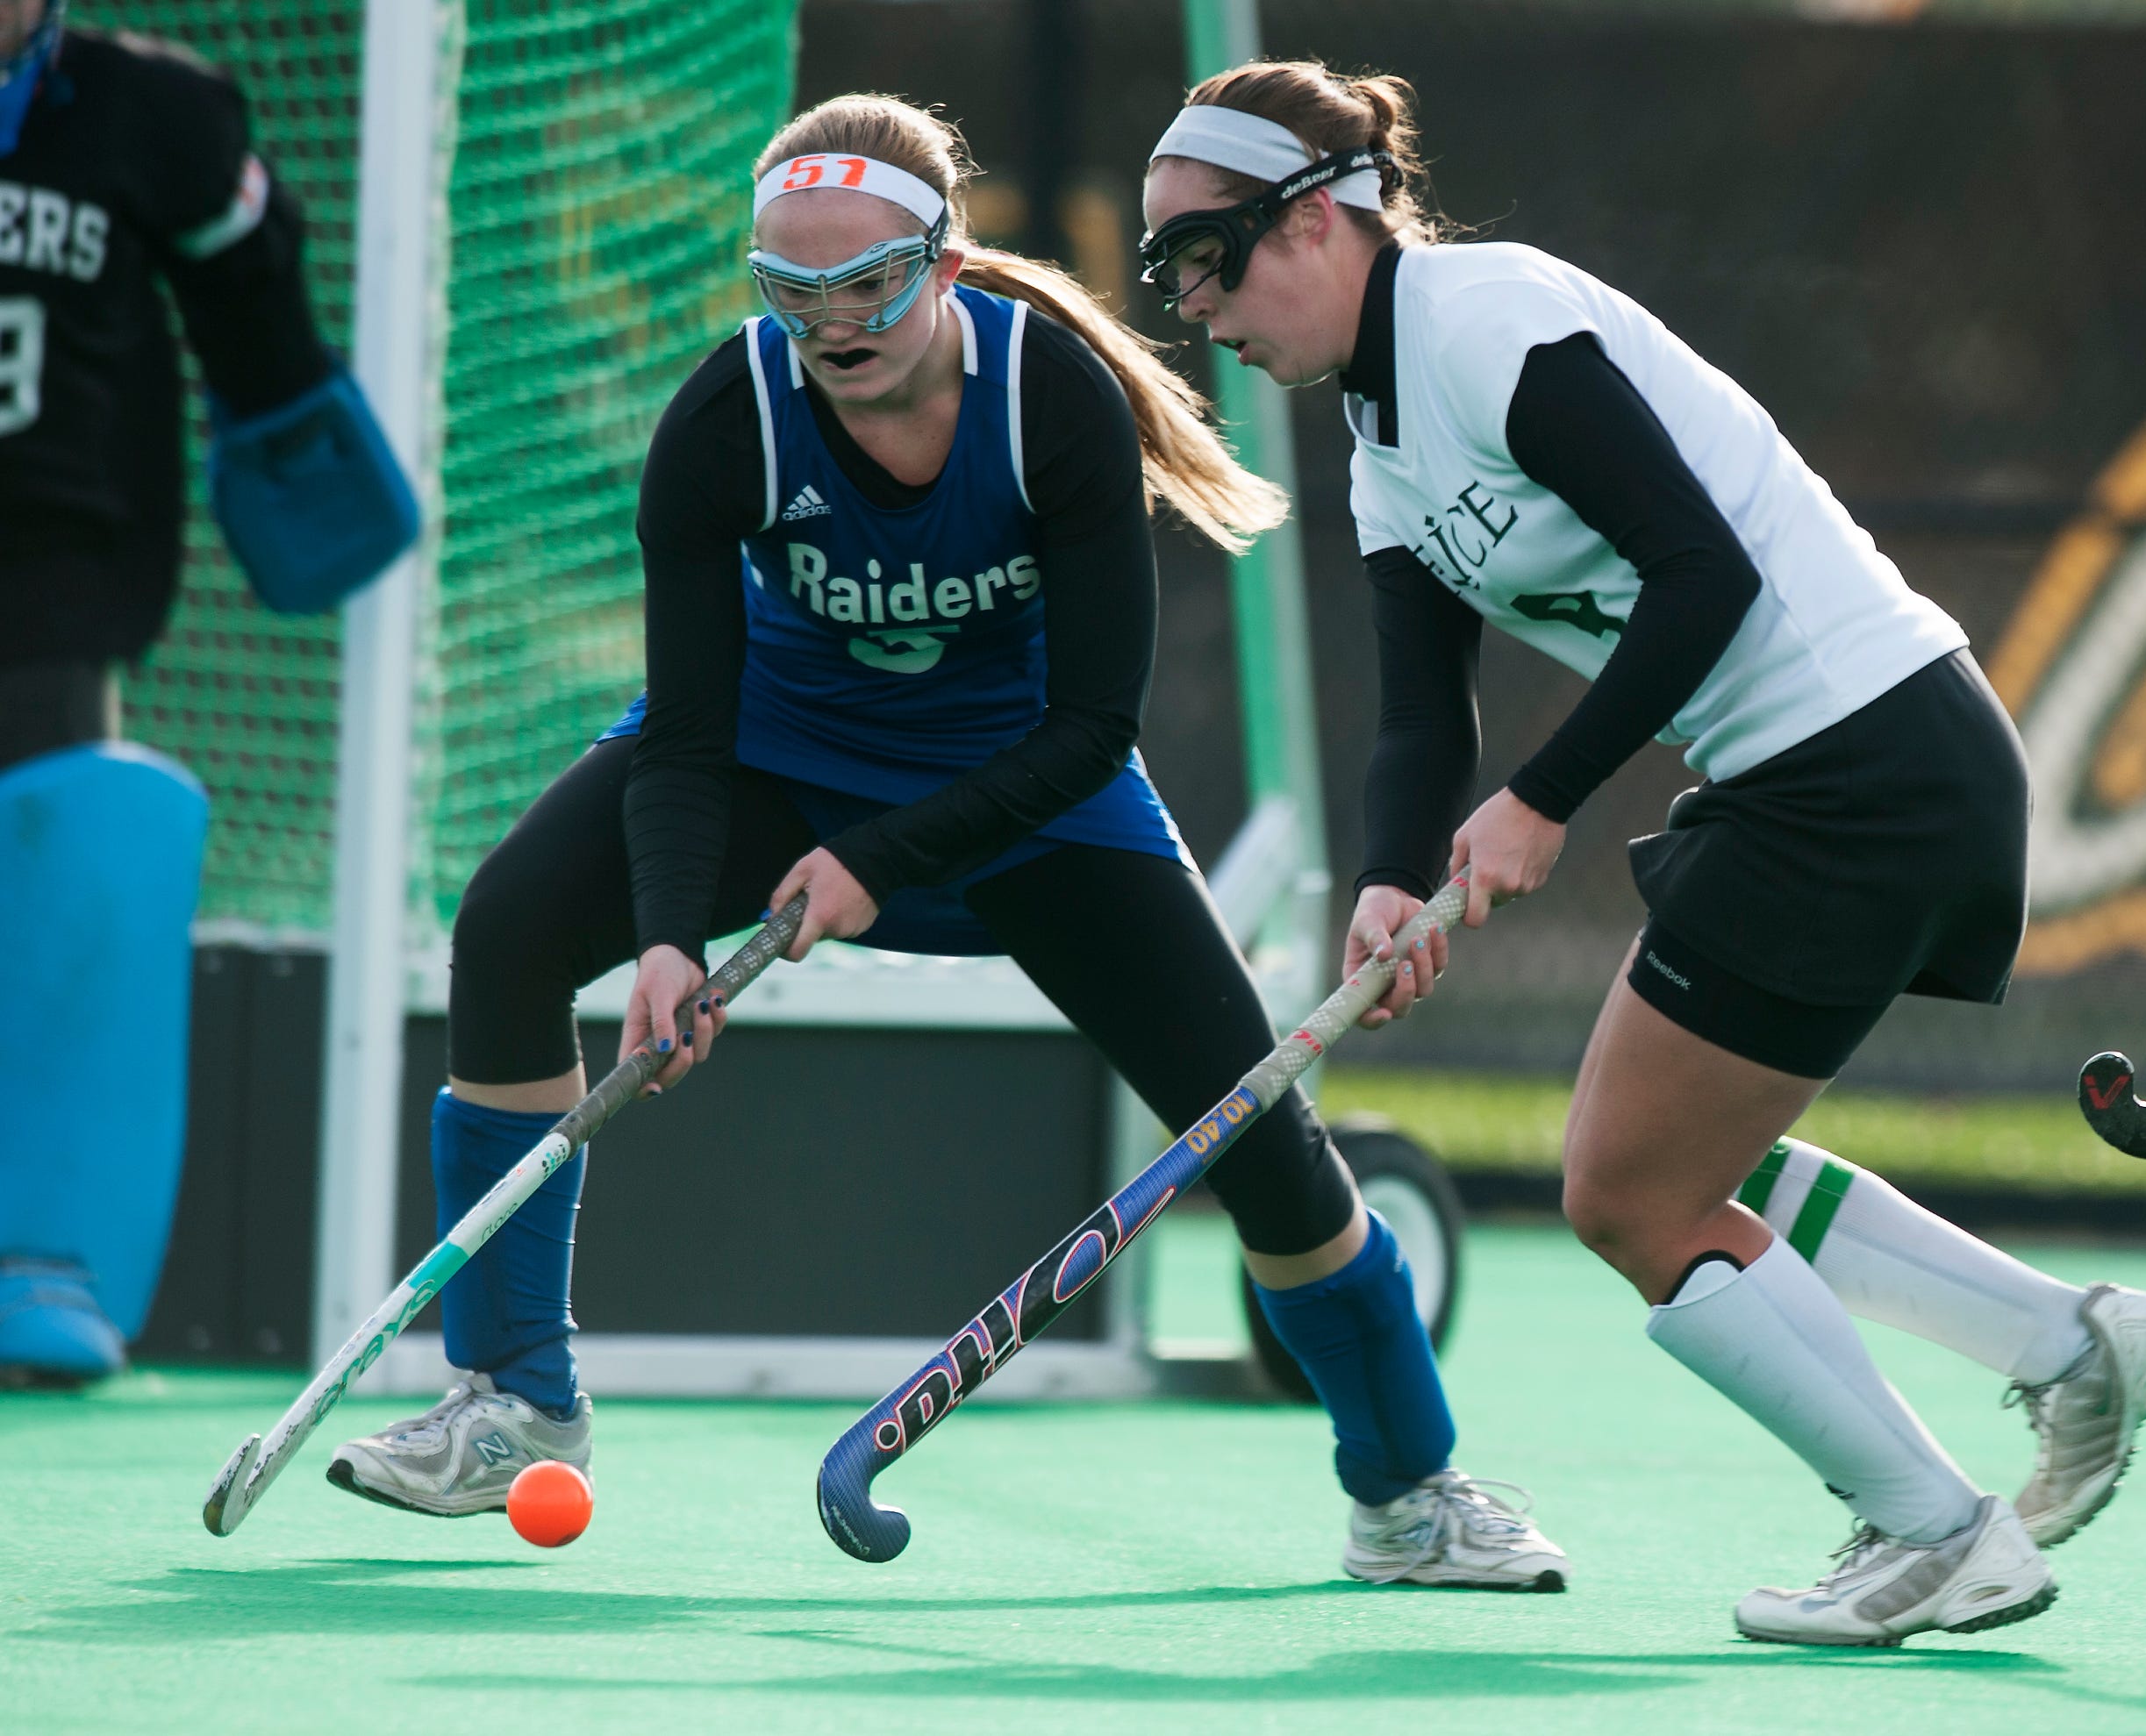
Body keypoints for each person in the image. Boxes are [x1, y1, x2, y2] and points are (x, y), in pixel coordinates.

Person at [326, 93, 1565, 1591]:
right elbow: (689, 733)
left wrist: (879, 864)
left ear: (947, 263)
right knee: (515, 926)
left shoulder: (1053, 406)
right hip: (780, 757)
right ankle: (514, 1404)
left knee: (1255, 1132)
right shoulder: (729, 422)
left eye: (869, 285)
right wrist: (667, 933)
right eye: (791, 294)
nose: (832, 324)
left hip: (1032, 793)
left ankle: (1411, 1494)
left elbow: (1092, 731)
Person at [1141, 61, 2146, 1646]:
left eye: (1199, 258)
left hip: (1862, 757)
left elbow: (1698, 574)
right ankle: (2077, 1346)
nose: (1191, 308)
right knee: (1694, 1147)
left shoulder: (1483, 323)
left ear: (1316, 219)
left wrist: (1545, 798)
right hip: (1824, 773)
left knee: (1629, 1191)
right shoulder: (1378, 446)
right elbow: (1423, 717)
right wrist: (1389, 872)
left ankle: (1934, 1532)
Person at [0, 3, 410, 1383]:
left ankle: (35, 1249)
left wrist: (295, 423)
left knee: (50, 869)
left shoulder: (153, 115)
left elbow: (255, 312)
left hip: (59, 564)